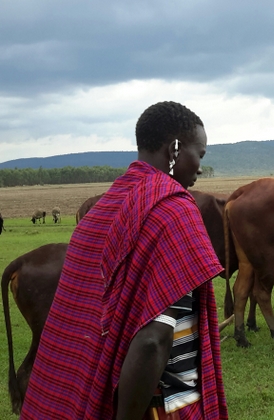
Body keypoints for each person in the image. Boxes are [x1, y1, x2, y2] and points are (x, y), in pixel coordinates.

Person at [21, 102, 228, 419]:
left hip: (104, 393)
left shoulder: (104, 208)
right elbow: (153, 340)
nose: (200, 167)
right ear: (174, 150)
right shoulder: (174, 210)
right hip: (162, 405)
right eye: (199, 154)